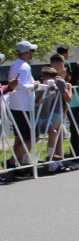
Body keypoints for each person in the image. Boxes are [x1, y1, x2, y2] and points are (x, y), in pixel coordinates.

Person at [6, 41, 40, 170]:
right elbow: (22, 86)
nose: (32, 54)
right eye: (31, 51)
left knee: (20, 138)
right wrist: (34, 86)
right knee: (33, 137)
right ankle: (12, 161)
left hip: (16, 105)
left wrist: (40, 86)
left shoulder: (15, 64)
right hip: (24, 106)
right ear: (25, 52)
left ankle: (18, 166)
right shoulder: (25, 66)